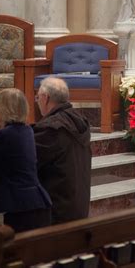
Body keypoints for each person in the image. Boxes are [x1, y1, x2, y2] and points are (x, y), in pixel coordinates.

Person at [0, 88, 52, 232]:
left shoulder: (5, 135)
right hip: (35, 202)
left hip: (19, 207)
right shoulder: (26, 131)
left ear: (4, 110)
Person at [33, 77, 92, 224]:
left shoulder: (50, 128)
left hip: (57, 210)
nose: (37, 101)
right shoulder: (78, 119)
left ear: (45, 98)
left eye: (37, 97)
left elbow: (28, 161)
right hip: (78, 205)